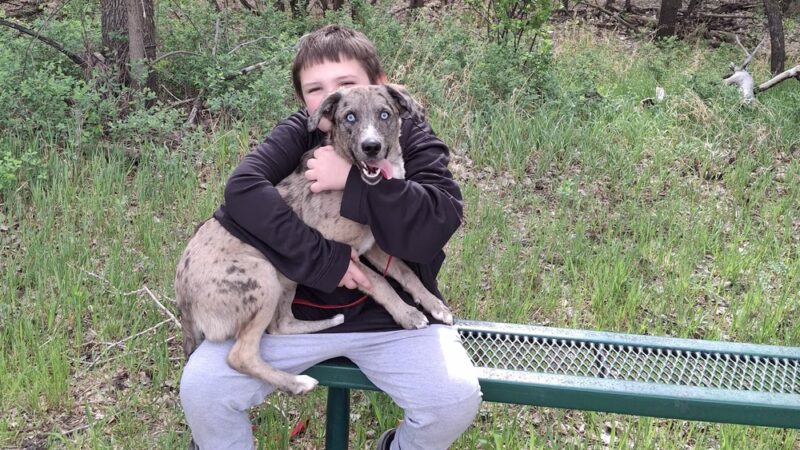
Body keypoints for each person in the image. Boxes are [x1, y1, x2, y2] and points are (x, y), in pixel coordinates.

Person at [179, 24, 481, 450]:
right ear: (310, 105)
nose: (331, 98)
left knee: (454, 398)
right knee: (201, 388)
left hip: (388, 323)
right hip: (293, 314)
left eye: (346, 83)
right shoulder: (303, 131)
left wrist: (356, 185)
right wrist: (330, 261)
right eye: (315, 90)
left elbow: (436, 222)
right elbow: (242, 189)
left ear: (380, 85)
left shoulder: (414, 137)